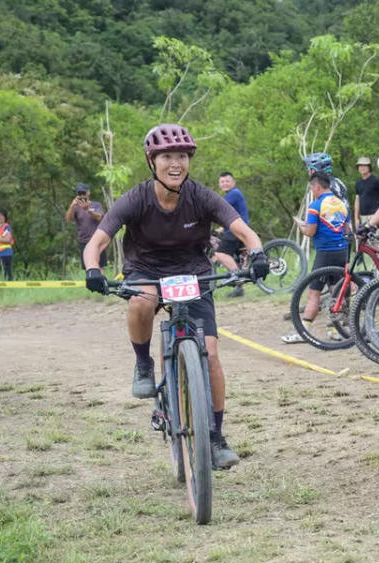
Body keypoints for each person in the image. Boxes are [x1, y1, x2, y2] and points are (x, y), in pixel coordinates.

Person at [82, 124, 270, 469]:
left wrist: (257, 254)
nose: (175, 164)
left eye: (182, 156)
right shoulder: (137, 198)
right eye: (167, 156)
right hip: (146, 269)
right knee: (142, 300)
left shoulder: (200, 196)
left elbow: (242, 229)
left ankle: (215, 437)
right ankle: (143, 363)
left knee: (210, 354)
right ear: (152, 161)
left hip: (193, 272)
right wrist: (93, 268)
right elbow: (98, 240)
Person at [282, 172, 350, 344]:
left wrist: (301, 226)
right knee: (337, 291)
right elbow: (347, 230)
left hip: (324, 253)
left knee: (314, 293)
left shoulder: (315, 205)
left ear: (317, 186)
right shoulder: (342, 204)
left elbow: (310, 232)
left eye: (312, 186)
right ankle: (336, 329)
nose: (312, 190)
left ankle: (303, 331)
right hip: (342, 251)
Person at [213, 172, 250, 298]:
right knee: (227, 251)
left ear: (233, 182)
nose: (224, 184)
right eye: (222, 182)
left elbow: (217, 207)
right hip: (236, 229)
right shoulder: (232, 195)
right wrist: (220, 228)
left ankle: (238, 282)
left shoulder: (233, 194)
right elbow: (231, 215)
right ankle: (237, 274)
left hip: (236, 231)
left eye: (227, 181)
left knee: (220, 253)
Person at [65, 183, 106, 269]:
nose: (82, 195)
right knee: (88, 267)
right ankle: (90, 282)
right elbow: (68, 219)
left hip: (97, 239)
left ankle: (101, 282)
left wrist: (88, 210)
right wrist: (72, 206)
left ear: (88, 193)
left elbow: (99, 217)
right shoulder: (75, 207)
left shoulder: (96, 205)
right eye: (80, 193)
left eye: (84, 193)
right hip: (84, 241)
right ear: (77, 195)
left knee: (100, 266)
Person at [353, 157, 379, 230]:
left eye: (365, 166)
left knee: (377, 238)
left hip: (375, 215)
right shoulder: (358, 183)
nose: (362, 168)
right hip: (363, 216)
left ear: (369, 167)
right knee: (364, 239)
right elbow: (357, 200)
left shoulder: (376, 180)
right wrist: (356, 219)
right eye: (360, 166)